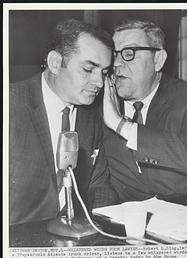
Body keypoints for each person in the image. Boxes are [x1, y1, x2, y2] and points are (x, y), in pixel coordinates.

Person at [9, 19, 118, 225]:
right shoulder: (10, 105)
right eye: (88, 69)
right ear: (55, 63)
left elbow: (100, 185)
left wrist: (99, 226)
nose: (100, 83)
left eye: (104, 72)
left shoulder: (91, 115)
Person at [103, 20, 187, 204]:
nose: (116, 64)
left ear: (158, 60)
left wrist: (120, 124)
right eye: (113, 54)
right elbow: (98, 181)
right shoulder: (98, 104)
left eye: (128, 53)